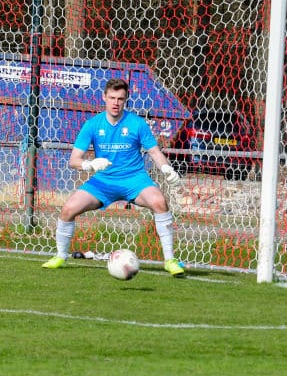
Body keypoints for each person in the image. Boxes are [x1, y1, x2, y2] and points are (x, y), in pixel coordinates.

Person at [42, 78, 186, 277]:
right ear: (104, 97)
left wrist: (167, 169)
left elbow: (154, 152)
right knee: (68, 209)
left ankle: (170, 261)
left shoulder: (137, 123)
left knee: (159, 202)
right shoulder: (92, 125)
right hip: (103, 182)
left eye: (120, 98)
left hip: (134, 180)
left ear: (126, 100)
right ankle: (60, 256)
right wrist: (90, 164)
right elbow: (73, 160)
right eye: (112, 98)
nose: (116, 103)